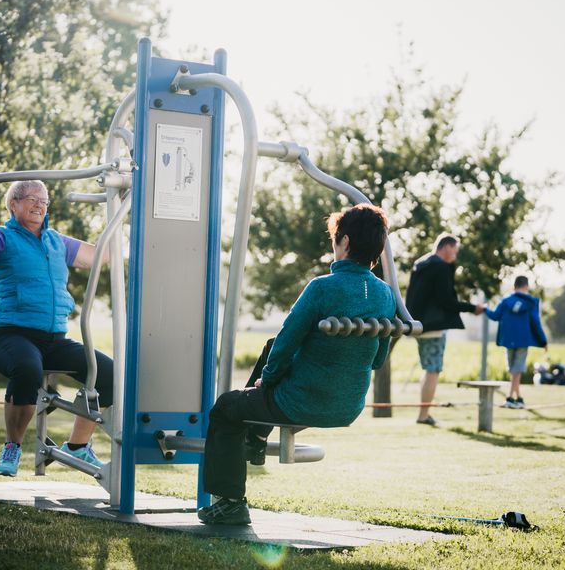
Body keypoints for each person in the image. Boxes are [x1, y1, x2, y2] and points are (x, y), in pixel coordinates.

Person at [197, 204, 396, 526]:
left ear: (344, 241)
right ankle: (255, 439)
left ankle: (231, 503)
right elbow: (377, 359)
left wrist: (266, 381)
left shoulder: (322, 287)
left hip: (302, 401)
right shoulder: (385, 294)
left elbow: (288, 340)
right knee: (271, 347)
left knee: (226, 408)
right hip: (349, 406)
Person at [0, 177, 113, 477]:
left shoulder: (56, 241)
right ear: (13, 204)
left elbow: (101, 256)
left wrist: (116, 207)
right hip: (10, 336)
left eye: (44, 200)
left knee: (108, 374)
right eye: (32, 199)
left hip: (53, 340)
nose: (39, 205)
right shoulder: (2, 237)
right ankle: (12, 446)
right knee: (28, 368)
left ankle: (77, 445)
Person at [405, 234, 484, 426]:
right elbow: (446, 301)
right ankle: (423, 415)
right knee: (433, 370)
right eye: (455, 251)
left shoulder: (421, 264)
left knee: (428, 370)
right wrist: (472, 308)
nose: (455, 256)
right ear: (446, 247)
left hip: (418, 325)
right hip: (434, 326)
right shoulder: (440, 267)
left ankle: (423, 413)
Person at [485, 275, 548, 408]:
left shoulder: (505, 301)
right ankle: (510, 398)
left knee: (514, 370)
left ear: (514, 286)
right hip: (523, 340)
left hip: (508, 339)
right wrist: (543, 341)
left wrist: (485, 308)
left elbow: (495, 316)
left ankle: (518, 398)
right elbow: (536, 322)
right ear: (526, 286)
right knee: (517, 370)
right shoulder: (531, 302)